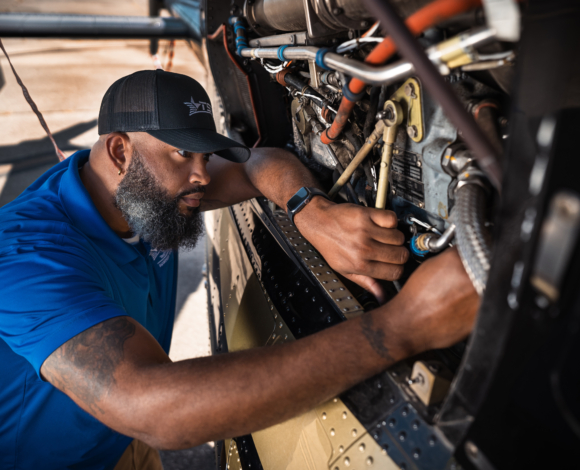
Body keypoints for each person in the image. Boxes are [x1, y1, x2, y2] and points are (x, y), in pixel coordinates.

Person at [0, 70, 478, 470]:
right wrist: (406, 326)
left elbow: (257, 164)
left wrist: (313, 213)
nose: (203, 177)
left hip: (119, 439)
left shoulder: (140, 193)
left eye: (205, 156)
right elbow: (151, 407)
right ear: (121, 152)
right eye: (182, 154)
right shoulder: (27, 256)